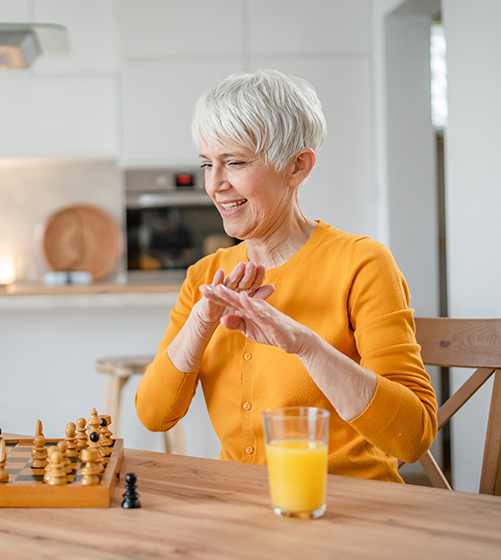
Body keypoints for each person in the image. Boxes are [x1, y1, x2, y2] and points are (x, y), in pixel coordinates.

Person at [135, 70, 437, 482]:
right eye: (208, 164)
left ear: (297, 166)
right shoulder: (205, 277)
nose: (215, 184)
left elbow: (412, 437)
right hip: (241, 505)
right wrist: (201, 323)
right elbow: (153, 415)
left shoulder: (362, 264)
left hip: (350, 504)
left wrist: (307, 347)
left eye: (235, 162)